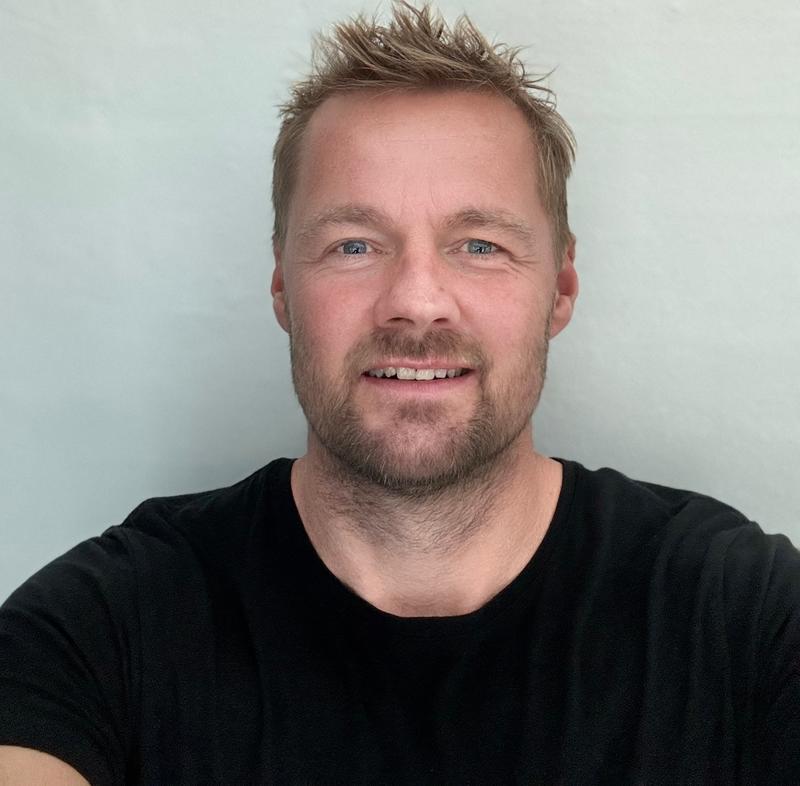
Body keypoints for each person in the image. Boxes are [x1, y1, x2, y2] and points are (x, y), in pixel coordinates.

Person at [1, 3, 798, 783]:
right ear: (282, 287)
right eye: (354, 245)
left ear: (560, 288)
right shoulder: (102, 625)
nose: (416, 302)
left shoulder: (745, 615)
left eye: (479, 244)